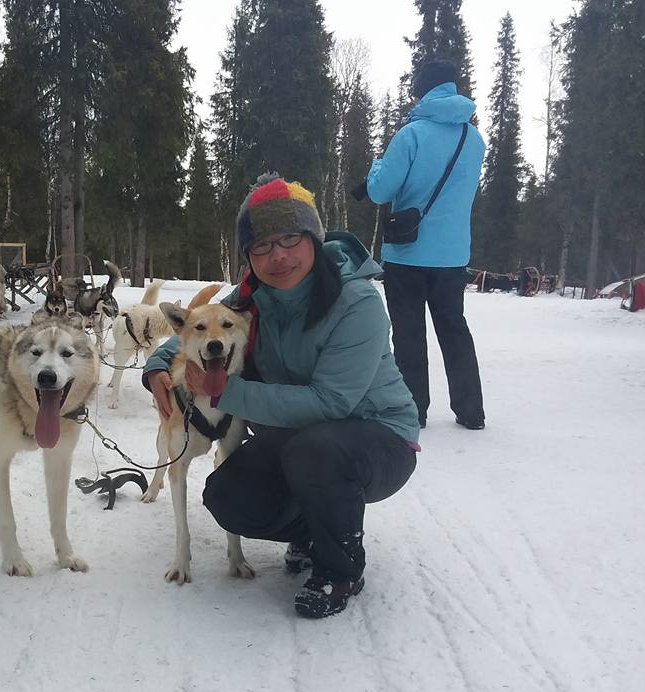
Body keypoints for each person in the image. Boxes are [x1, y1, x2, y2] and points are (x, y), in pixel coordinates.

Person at [142, 173, 420, 619]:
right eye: (261, 246)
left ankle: (340, 569)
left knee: (317, 451)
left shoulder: (357, 303)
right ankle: (312, 529)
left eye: (290, 238)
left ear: (314, 238)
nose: (278, 255)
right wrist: (158, 365)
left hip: (377, 439)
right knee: (228, 495)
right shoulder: (254, 295)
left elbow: (330, 404)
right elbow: (202, 325)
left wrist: (228, 392)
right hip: (300, 438)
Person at [365, 59, 487, 430]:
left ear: (422, 91)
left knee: (409, 334)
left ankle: (414, 409)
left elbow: (379, 191)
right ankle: (471, 411)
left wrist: (376, 166)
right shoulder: (473, 139)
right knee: (454, 329)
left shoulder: (411, 135)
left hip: (408, 253)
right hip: (453, 255)